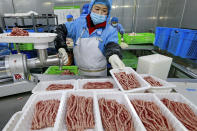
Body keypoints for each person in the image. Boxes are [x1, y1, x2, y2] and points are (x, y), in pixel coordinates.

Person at [54, 0, 125, 76]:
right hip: (79, 73)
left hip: (100, 74)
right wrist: (61, 47)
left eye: (104, 11)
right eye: (97, 9)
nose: (100, 13)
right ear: (91, 8)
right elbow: (60, 29)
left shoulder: (110, 30)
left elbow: (112, 44)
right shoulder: (79, 24)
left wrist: (113, 54)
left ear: (108, 13)